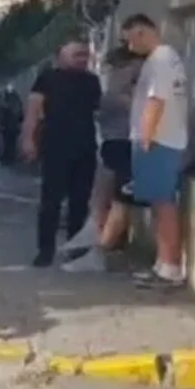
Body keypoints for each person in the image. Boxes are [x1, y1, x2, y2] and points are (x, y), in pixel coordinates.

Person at [61, 45, 148, 272]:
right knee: (103, 197)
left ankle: (99, 250)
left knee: (118, 200)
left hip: (126, 143)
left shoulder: (131, 81)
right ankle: (93, 243)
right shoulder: (118, 83)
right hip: (114, 143)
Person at [122, 13, 189, 287]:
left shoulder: (159, 60)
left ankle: (170, 267)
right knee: (161, 204)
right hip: (166, 139)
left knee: (163, 205)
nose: (129, 47)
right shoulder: (169, 57)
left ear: (141, 32)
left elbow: (156, 100)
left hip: (159, 141)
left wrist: (145, 137)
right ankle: (162, 263)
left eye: (130, 40)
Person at [21, 41, 101, 267]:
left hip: (85, 146)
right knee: (51, 201)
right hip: (55, 146)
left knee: (80, 201)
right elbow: (33, 111)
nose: (82, 59)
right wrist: (28, 139)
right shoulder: (47, 79)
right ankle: (45, 250)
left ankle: (74, 247)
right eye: (77, 54)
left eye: (85, 55)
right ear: (62, 56)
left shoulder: (92, 81)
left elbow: (97, 112)